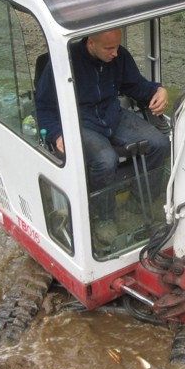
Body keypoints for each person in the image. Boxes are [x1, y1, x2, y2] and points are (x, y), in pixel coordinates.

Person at [35, 29, 171, 239]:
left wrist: (158, 90)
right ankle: (104, 216)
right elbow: (43, 106)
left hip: (111, 114)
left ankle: (138, 205)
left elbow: (135, 85)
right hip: (80, 121)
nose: (115, 53)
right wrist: (56, 134)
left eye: (117, 47)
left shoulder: (119, 56)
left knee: (159, 143)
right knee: (106, 160)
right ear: (91, 43)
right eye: (109, 48)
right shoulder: (62, 62)